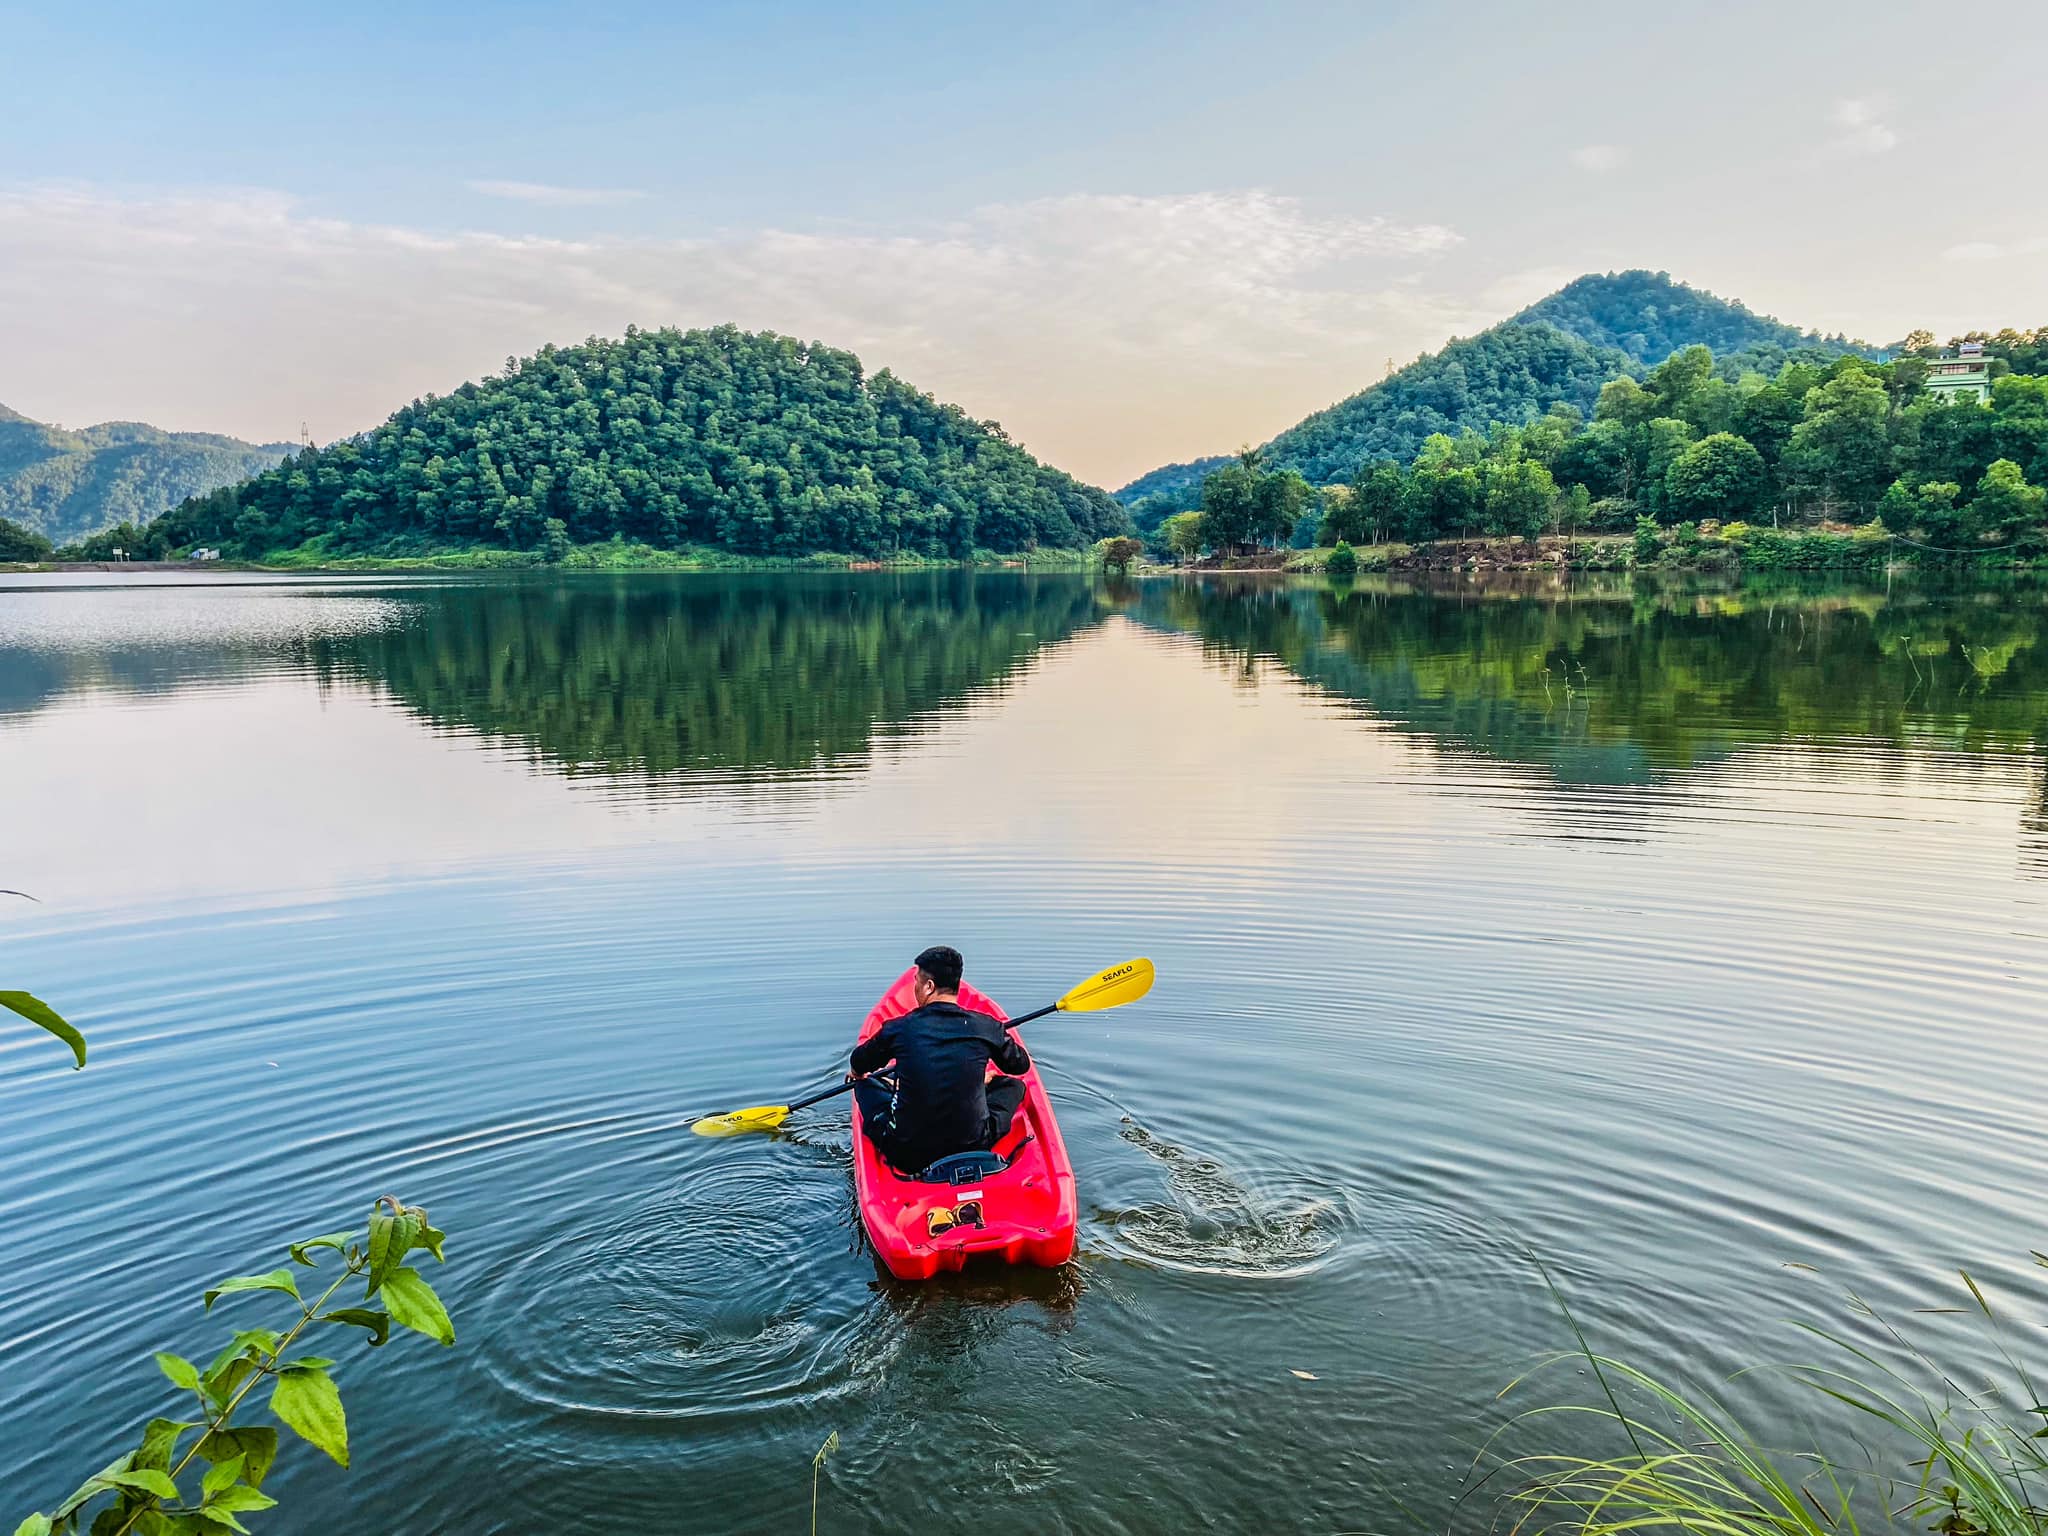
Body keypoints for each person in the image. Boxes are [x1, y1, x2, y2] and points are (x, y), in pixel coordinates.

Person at [849, 945, 1030, 1176]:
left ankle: (891, 1090)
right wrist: (995, 1037)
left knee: (863, 1084)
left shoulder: (899, 1029)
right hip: (974, 1145)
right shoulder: (985, 1026)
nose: (914, 987)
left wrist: (857, 1075)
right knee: (1014, 1086)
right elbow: (1020, 1066)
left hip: (907, 1154)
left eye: (917, 981)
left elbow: (859, 1063)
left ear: (929, 986)